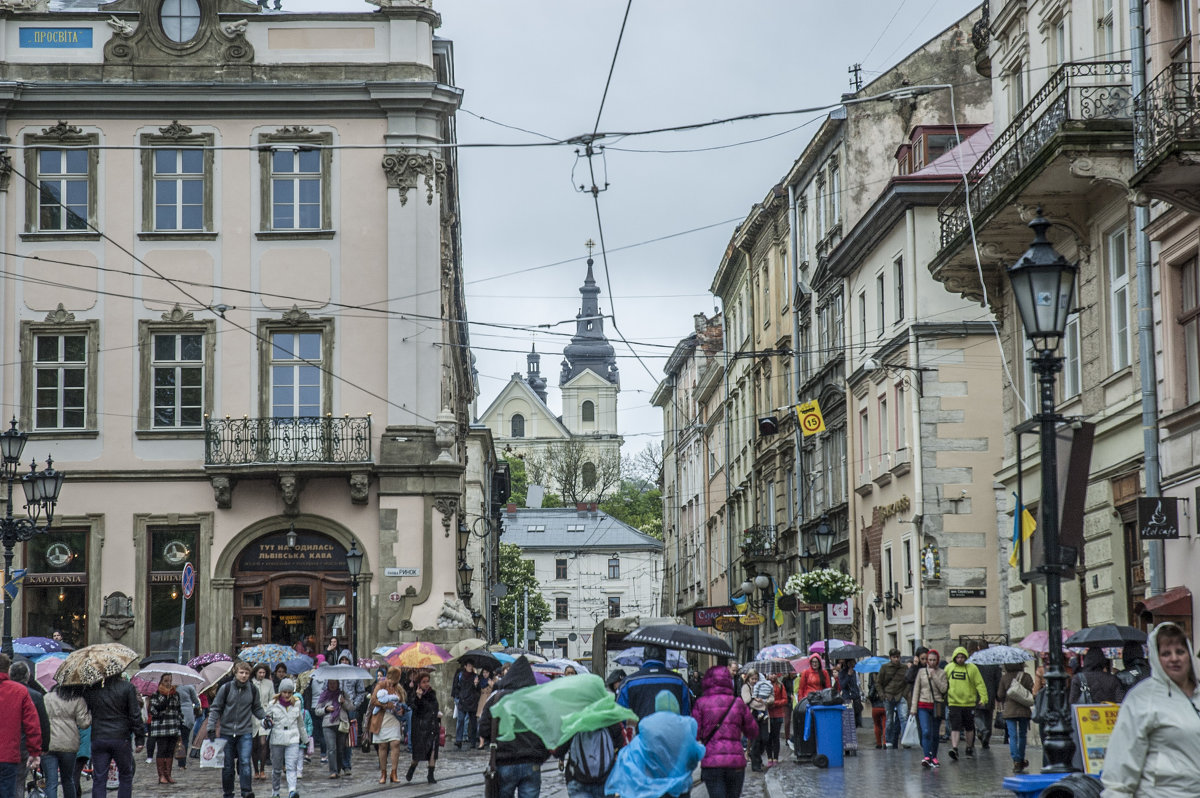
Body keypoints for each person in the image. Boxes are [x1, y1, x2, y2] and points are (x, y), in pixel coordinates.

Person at [1101, 622, 1200, 798]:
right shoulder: (1142, 698)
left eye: (1180, 651)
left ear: (1189, 654)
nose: (1174, 658)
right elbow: (1122, 760)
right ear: (1156, 658)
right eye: (1166, 653)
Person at [604, 691, 704, 798]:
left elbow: (634, 756)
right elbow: (695, 754)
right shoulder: (686, 726)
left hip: (655, 789)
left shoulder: (647, 728)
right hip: (681, 788)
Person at [479, 657, 550, 798]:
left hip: (504, 761)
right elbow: (548, 732)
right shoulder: (537, 701)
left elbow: (483, 729)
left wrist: (496, 742)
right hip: (531, 762)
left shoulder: (497, 699)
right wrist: (541, 755)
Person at [692, 664, 758, 798]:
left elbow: (695, 734)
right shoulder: (737, 703)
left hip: (712, 763)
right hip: (735, 764)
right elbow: (753, 731)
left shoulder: (701, 703)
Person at [207, 660, 268, 798]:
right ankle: (228, 793)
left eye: (247, 673)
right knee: (228, 766)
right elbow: (216, 708)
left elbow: (257, 708)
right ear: (236, 672)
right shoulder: (226, 688)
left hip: (245, 731)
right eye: (241, 672)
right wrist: (211, 727)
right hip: (227, 732)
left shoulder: (252, 689)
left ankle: (246, 791)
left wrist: (265, 718)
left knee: (245, 762)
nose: (244, 675)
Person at [82, 671, 143, 798]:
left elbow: (86, 708)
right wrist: (139, 738)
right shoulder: (127, 687)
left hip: (99, 737)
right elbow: (135, 714)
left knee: (99, 778)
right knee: (125, 775)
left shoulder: (93, 690)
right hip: (120, 737)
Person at [0, 654, 42, 798]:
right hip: (9, 754)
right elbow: (32, 724)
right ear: (7, 670)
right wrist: (34, 751)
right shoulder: (19, 691)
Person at [616, 645, 691, 720]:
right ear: (664, 657)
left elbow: (620, 715)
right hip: (672, 730)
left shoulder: (629, 682)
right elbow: (685, 714)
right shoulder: (678, 681)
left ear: (644, 657)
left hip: (639, 730)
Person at [43, 683, 91, 798]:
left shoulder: (47, 697)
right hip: (69, 744)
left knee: (51, 782)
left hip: (49, 743)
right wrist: (89, 714)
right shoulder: (78, 700)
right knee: (68, 780)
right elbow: (83, 724)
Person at [943, 646, 987, 761]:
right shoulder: (949, 668)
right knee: (955, 727)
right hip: (954, 703)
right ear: (955, 657)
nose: (960, 659)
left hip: (968, 703)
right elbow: (943, 683)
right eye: (958, 657)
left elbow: (979, 684)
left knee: (969, 727)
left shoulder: (972, 668)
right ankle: (955, 748)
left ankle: (969, 747)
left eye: (962, 657)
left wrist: (983, 698)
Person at [266, 677, 308, 798]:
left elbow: (300, 722)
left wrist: (305, 739)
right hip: (277, 738)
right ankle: (276, 791)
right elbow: (266, 720)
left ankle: (292, 790)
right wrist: (267, 723)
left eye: (289, 692)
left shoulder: (297, 703)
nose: (287, 695)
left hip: (292, 738)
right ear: (280, 692)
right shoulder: (273, 704)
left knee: (291, 765)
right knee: (277, 768)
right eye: (284, 692)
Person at [909, 648, 948, 769]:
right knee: (925, 731)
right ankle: (926, 756)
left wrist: (934, 677)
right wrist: (913, 708)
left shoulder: (942, 673)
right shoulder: (921, 672)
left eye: (933, 660)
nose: (931, 662)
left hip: (936, 706)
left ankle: (934, 757)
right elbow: (916, 690)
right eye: (929, 660)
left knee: (935, 734)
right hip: (923, 705)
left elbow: (944, 689)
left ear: (937, 661)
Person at [368, 668, 407, 783]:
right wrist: (386, 705)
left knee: (395, 743)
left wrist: (401, 711)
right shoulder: (380, 685)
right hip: (382, 718)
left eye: (395, 681)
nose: (392, 683)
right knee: (382, 746)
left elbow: (402, 703)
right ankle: (383, 773)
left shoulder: (398, 688)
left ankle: (394, 772)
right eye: (391, 680)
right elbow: (373, 700)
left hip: (394, 719)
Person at [996, 661, 1033, 774]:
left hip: (1010, 711)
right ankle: (1021, 758)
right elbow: (1031, 691)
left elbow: (1000, 695)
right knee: (1022, 735)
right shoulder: (1026, 676)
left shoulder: (1005, 677)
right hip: (1023, 710)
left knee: (1012, 736)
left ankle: (1016, 760)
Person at [147, 674, 184, 785]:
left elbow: (178, 709)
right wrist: (163, 702)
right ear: (161, 682)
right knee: (162, 750)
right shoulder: (156, 694)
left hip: (173, 725)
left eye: (170, 681)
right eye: (166, 681)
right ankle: (161, 775)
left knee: (170, 751)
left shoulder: (176, 694)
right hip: (161, 727)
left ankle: (168, 774)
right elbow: (153, 710)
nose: (168, 683)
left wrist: (180, 720)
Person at [405, 672, 440, 784]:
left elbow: (434, 707)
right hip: (421, 729)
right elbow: (416, 710)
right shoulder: (414, 695)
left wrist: (437, 715)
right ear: (419, 683)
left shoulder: (431, 694)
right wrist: (418, 698)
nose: (426, 684)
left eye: (427, 681)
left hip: (432, 726)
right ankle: (412, 769)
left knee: (433, 751)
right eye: (424, 682)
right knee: (418, 755)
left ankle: (430, 775)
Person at [315, 678, 354, 779]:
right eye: (330, 683)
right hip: (328, 724)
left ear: (338, 684)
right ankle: (333, 771)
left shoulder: (343, 694)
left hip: (341, 723)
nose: (332, 685)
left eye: (334, 683)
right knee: (331, 748)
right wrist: (326, 709)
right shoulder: (324, 695)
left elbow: (350, 707)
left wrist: (343, 702)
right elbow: (317, 711)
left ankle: (339, 768)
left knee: (340, 749)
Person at [335, 650, 364, 774]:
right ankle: (337, 765)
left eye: (346, 660)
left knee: (348, 739)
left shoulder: (355, 674)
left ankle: (346, 764)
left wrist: (354, 704)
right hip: (337, 709)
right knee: (337, 738)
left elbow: (361, 692)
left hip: (350, 709)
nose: (344, 662)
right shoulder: (335, 673)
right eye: (342, 660)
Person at [877, 648, 908, 749]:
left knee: (903, 718)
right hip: (888, 696)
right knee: (889, 720)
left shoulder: (904, 668)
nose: (896, 659)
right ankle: (889, 741)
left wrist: (904, 694)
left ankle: (905, 740)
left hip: (900, 695)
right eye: (894, 657)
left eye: (897, 657)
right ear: (890, 658)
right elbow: (879, 682)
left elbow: (908, 682)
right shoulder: (884, 667)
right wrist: (882, 694)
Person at [249, 664, 274, 781]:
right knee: (254, 745)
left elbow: (272, 699)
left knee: (263, 743)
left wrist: (270, 714)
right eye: (260, 672)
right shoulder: (250, 683)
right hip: (252, 717)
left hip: (265, 715)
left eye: (263, 673)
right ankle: (256, 770)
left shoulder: (269, 684)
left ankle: (263, 769)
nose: (262, 675)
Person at [451, 662, 479, 749]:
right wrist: (458, 696)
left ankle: (473, 741)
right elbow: (456, 686)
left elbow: (477, 690)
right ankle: (459, 740)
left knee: (473, 722)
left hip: (472, 702)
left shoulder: (475, 676)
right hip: (462, 701)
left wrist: (475, 684)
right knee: (461, 720)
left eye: (471, 666)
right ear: (465, 666)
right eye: (469, 666)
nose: (470, 667)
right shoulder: (460, 675)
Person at [175, 680, 201, 771]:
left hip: (175, 714)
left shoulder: (172, 687)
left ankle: (179, 758)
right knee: (185, 739)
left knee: (178, 739)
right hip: (187, 714)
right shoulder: (189, 686)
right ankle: (182, 763)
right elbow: (196, 701)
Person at [766, 672, 787, 765]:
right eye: (771, 674)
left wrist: (775, 703)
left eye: (774, 674)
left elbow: (785, 699)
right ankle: (769, 757)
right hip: (767, 714)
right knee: (768, 737)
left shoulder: (780, 685)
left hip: (777, 714)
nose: (773, 676)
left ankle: (776, 758)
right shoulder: (764, 685)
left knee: (776, 737)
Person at [836, 659, 862, 728]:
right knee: (849, 719)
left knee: (857, 719)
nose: (853, 665)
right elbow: (842, 685)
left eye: (853, 663)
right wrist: (848, 675)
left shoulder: (855, 672)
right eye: (851, 663)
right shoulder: (842, 672)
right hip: (847, 698)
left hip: (856, 697)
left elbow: (856, 685)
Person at [867, 673, 886, 749]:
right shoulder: (885, 674)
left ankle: (878, 743)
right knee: (885, 725)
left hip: (875, 706)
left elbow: (870, 692)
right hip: (884, 706)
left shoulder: (871, 674)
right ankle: (885, 742)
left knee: (876, 725)